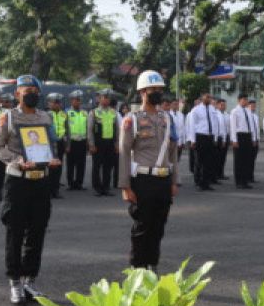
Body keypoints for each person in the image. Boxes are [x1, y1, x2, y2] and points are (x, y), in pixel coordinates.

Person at [0, 75, 61, 305]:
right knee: (15, 231)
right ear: (17, 94)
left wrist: (52, 158)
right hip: (18, 181)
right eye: (26, 90)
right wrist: (18, 159)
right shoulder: (8, 117)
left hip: (40, 180)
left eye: (34, 89)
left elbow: (51, 145)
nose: (31, 93)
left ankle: (29, 280)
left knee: (37, 231)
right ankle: (14, 281)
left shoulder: (46, 117)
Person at [119, 72, 179, 270]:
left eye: (160, 90)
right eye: (153, 90)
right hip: (143, 179)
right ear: (143, 92)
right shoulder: (132, 119)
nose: (158, 94)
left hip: (163, 179)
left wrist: (174, 181)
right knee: (142, 227)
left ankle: (152, 265)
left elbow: (172, 152)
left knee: (159, 226)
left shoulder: (167, 119)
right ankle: (137, 268)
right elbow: (125, 152)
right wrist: (125, 186)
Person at [89, 90, 118, 197]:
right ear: (99, 99)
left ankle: (106, 187)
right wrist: (91, 145)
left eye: (107, 98)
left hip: (110, 142)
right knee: (97, 166)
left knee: (108, 166)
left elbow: (117, 129)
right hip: (98, 143)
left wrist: (117, 144)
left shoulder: (113, 112)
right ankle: (97, 188)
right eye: (103, 97)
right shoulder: (94, 112)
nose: (106, 99)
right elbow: (90, 130)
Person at [185, 92, 217, 191]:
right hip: (200, 137)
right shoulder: (196, 110)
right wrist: (193, 140)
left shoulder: (212, 109)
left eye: (210, 97)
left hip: (209, 137)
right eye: (207, 97)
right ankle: (198, 182)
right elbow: (192, 126)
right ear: (202, 98)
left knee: (208, 161)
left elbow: (214, 123)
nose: (209, 98)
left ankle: (206, 182)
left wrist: (215, 137)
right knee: (199, 161)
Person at [229, 94, 259, 189]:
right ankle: (239, 181)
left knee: (247, 159)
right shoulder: (235, 111)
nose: (246, 101)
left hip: (248, 136)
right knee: (239, 160)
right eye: (244, 99)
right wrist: (234, 140)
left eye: (246, 99)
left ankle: (245, 181)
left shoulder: (248, 111)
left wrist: (253, 138)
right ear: (239, 100)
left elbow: (251, 126)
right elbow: (233, 127)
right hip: (239, 135)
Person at [65, 90, 88, 191]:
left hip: (82, 141)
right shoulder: (67, 113)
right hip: (71, 141)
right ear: (71, 101)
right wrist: (67, 143)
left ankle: (79, 183)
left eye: (79, 100)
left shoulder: (84, 113)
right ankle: (70, 183)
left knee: (81, 163)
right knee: (70, 163)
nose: (78, 102)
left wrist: (88, 141)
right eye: (76, 100)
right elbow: (65, 128)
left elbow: (88, 127)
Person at [46, 93, 68, 199]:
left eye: (59, 102)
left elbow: (68, 130)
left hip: (60, 143)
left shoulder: (64, 114)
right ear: (49, 103)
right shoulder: (45, 114)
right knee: (50, 167)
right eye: (55, 102)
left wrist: (68, 144)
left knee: (59, 167)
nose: (57, 104)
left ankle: (56, 190)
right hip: (49, 144)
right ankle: (48, 190)